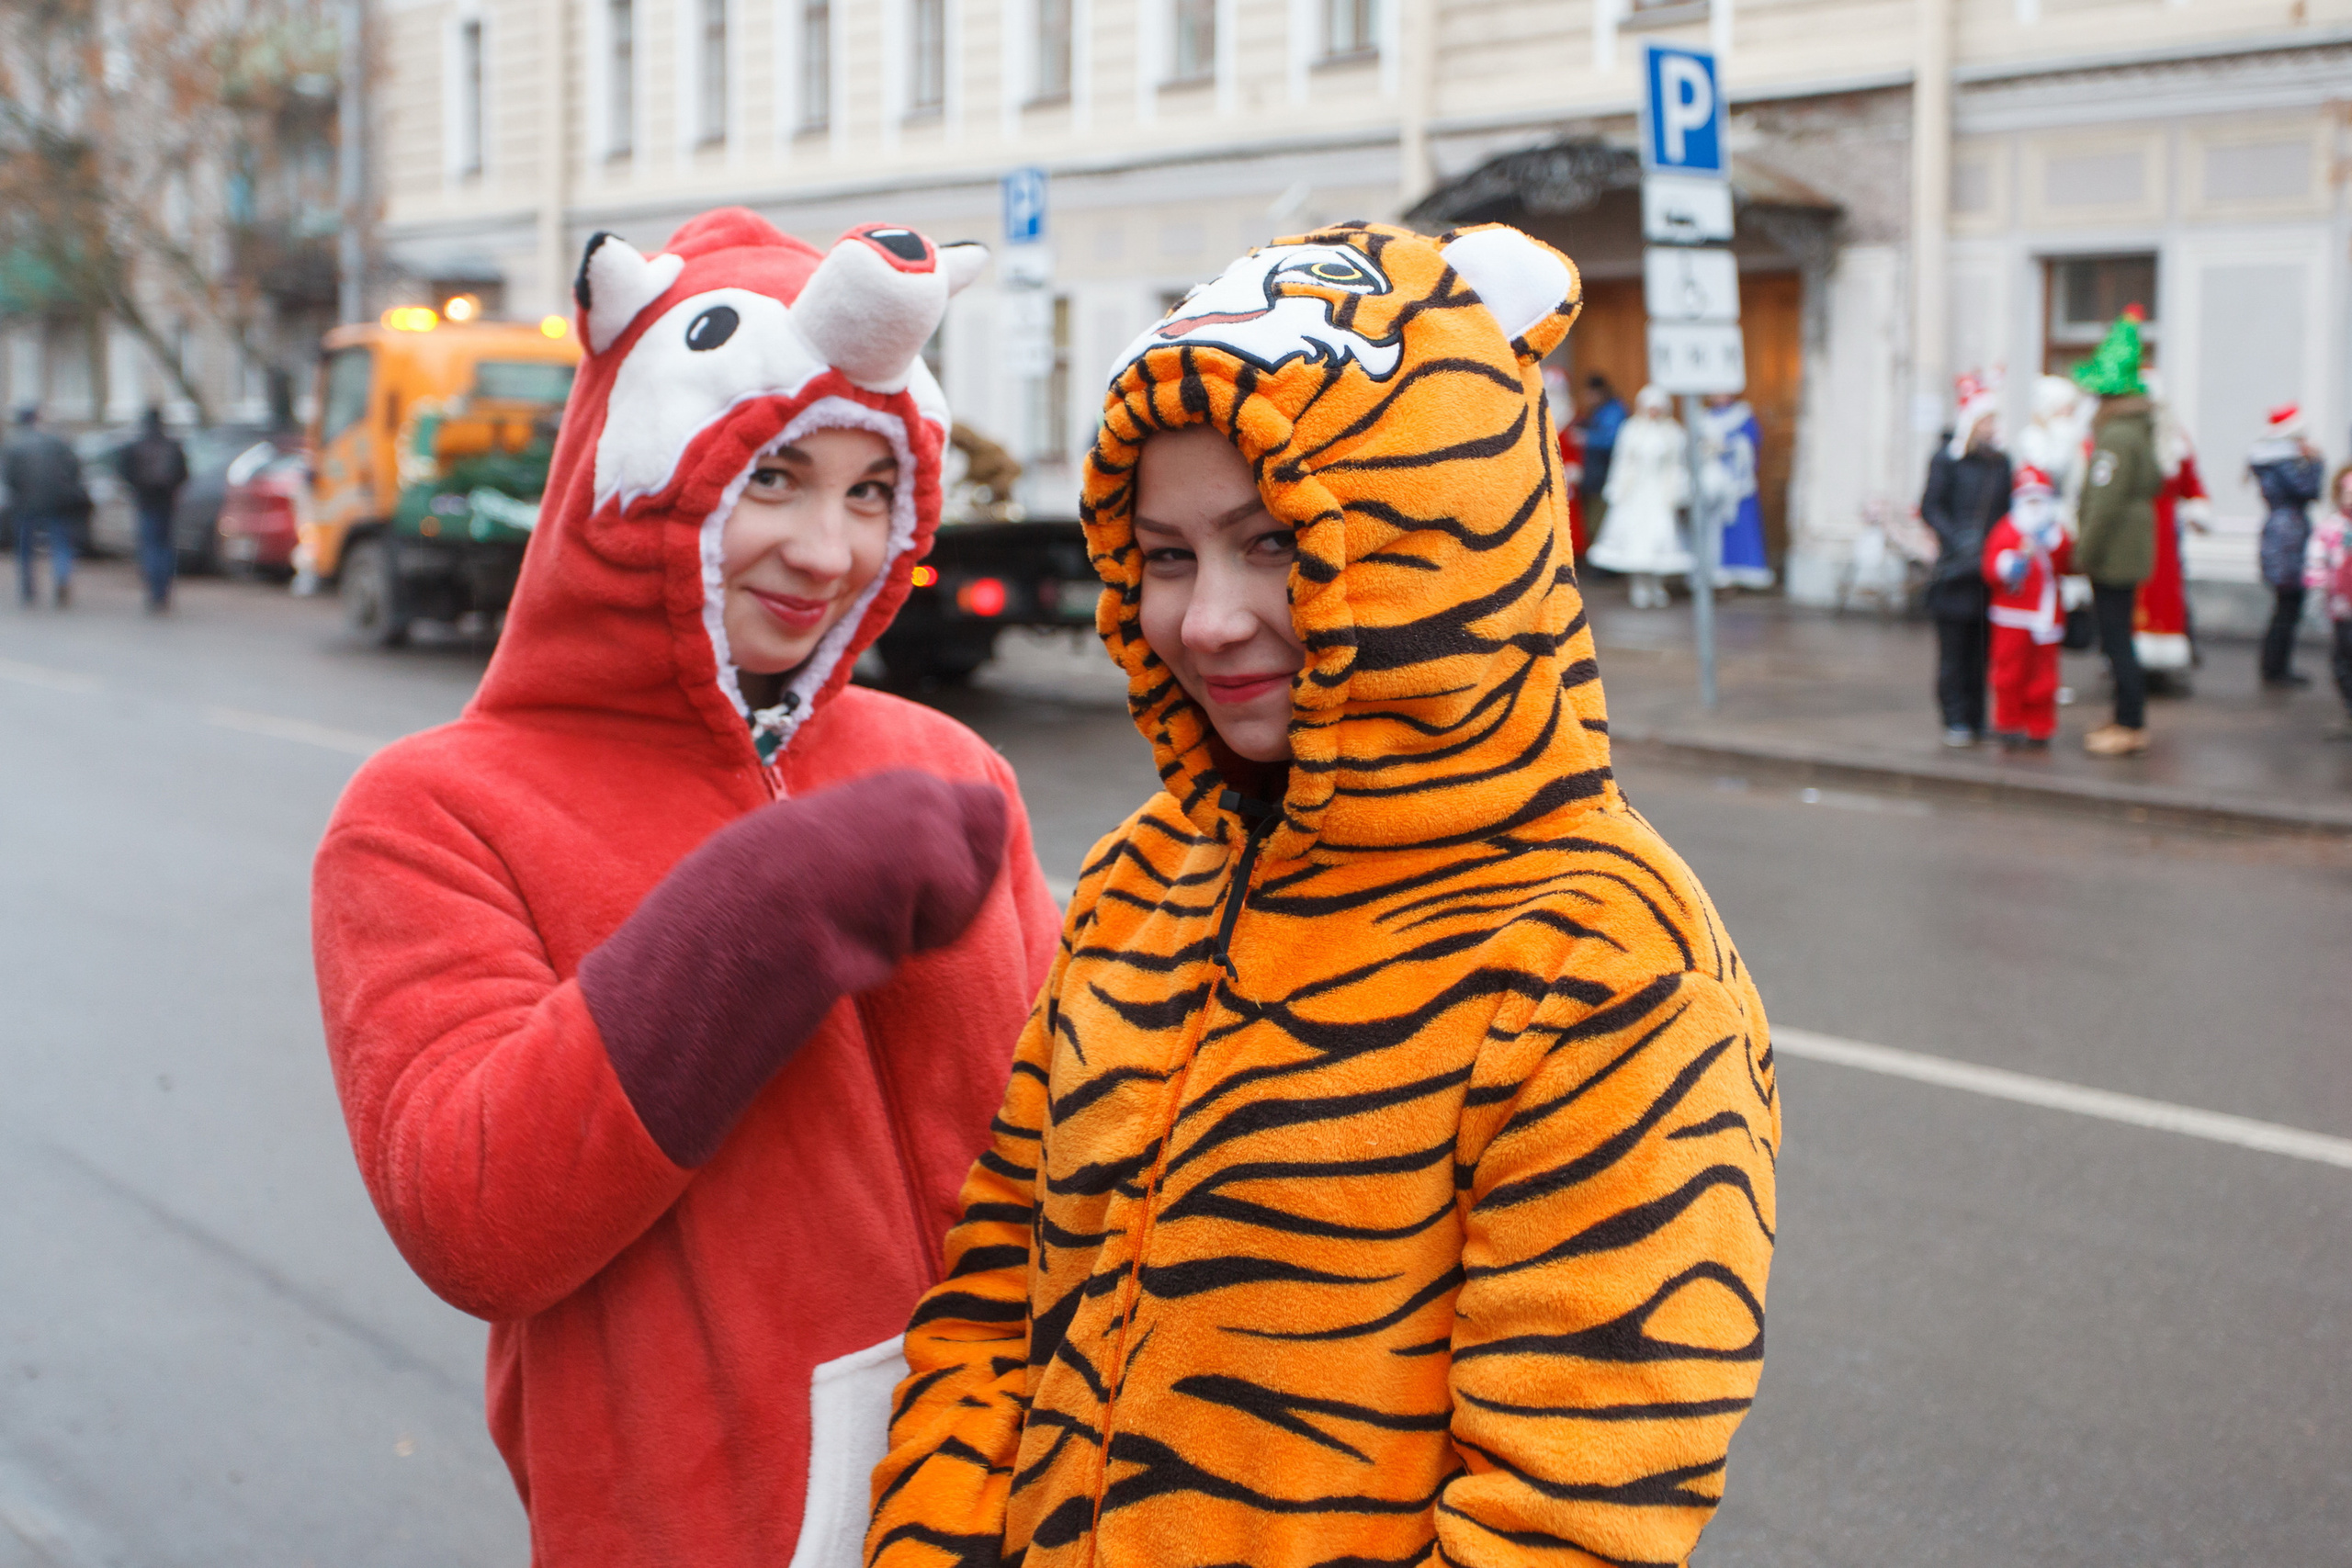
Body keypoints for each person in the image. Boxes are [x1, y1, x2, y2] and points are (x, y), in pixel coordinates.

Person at [868, 222, 1778, 1568]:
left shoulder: (1607, 955)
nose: (1211, 619)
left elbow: (1566, 1518)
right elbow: (997, 1298)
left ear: (1444, 540)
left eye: (1273, 542)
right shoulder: (1144, 876)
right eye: (1167, 556)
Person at [310, 211, 1059, 1565]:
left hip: (1008, 1498)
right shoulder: (432, 811)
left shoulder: (945, 765)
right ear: (646, 479)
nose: (826, 551)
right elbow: (474, 1217)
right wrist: (764, 907)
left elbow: (1074, 1143)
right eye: (774, 476)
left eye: (868, 491)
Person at [2071, 309, 2165, 756]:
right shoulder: (2136, 431)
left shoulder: (2115, 438)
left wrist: (2083, 553)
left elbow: (2103, 504)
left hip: (2113, 555)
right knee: (2119, 637)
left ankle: (2129, 723)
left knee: (2116, 642)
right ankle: (2125, 716)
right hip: (2129, 552)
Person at [1918, 371, 2008, 746]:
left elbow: (2008, 510)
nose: (1992, 427)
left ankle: (1976, 717)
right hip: (1956, 571)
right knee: (1954, 650)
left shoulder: (2001, 463)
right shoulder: (1946, 460)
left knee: (1982, 650)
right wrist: (1956, 540)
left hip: (1988, 571)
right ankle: (1954, 717)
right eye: (1986, 420)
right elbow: (1930, 507)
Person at [1983, 465, 2074, 748]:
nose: (2035, 507)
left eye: (2040, 500)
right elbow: (1990, 567)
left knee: (2044, 676)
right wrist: (2009, 565)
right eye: (2029, 500)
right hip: (2011, 616)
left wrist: (2055, 544)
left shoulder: (2055, 535)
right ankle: (2008, 723)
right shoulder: (2007, 530)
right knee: (2009, 672)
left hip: (2046, 618)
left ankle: (2040, 726)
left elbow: (2067, 564)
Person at [1586, 382, 1692, 606]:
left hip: (1660, 493)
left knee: (1659, 537)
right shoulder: (1631, 429)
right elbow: (1622, 461)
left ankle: (1656, 585)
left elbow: (1678, 465)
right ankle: (1639, 586)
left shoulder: (1673, 432)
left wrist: (1679, 491)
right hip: (1634, 493)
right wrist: (1616, 488)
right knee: (1635, 538)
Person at [2134, 378, 2209, 690]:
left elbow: (2192, 484)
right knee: (2133, 596)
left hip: (2165, 532)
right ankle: (2129, 663)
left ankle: (2164, 664)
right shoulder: (2127, 440)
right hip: (2133, 531)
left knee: (2166, 594)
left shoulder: (2175, 442)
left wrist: (2198, 509)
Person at [2248, 402, 2324, 689]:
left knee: (2286, 605)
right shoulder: (2282, 463)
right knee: (2288, 604)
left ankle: (2276, 665)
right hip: (2287, 537)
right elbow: (2307, 489)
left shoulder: (2271, 461)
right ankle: (2276, 667)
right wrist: (2315, 464)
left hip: (2284, 533)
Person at [5, 406, 86, 608]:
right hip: (55, 502)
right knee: (60, 543)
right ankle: (61, 576)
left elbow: (9, 477)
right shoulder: (55, 441)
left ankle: (28, 587)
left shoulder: (13, 445)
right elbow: (73, 468)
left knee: (25, 547)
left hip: (24, 503)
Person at [116, 408, 189, 611]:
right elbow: (184, 474)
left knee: (149, 546)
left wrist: (136, 488)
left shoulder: (136, 446)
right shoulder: (172, 445)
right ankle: (163, 589)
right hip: (166, 502)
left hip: (145, 501)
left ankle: (153, 589)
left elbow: (125, 473)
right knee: (165, 546)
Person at [1700, 390, 1773, 589]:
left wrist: (1729, 446)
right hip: (1712, 482)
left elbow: (1750, 443)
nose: (1718, 396)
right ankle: (1714, 573)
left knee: (1739, 526)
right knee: (1713, 529)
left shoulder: (1742, 416)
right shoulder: (1704, 418)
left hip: (1736, 483)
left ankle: (1744, 572)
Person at [2305, 464, 2352, 738]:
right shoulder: (2331, 527)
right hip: (2341, 607)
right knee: (2343, 656)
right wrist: (2316, 588)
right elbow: (2316, 559)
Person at [1577, 371, 1627, 533]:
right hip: (1594, 474)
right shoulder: (1597, 410)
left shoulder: (1614, 411)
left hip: (1605, 472)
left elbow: (1613, 440)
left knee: (1600, 519)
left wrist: (1586, 438)